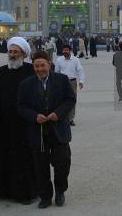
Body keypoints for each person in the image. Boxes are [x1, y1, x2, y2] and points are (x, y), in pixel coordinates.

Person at [17, 50, 76, 209]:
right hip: (38, 132)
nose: (40, 69)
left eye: (42, 65)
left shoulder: (62, 80)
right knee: (40, 166)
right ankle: (45, 195)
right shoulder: (26, 84)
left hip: (58, 130)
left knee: (63, 163)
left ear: (49, 65)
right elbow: (21, 106)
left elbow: (70, 99)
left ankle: (60, 191)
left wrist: (58, 113)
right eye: (36, 66)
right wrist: (34, 116)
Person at [0, 36, 37, 204]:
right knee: (3, 157)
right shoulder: (0, 72)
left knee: (23, 159)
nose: (12, 55)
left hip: (24, 124)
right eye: (10, 51)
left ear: (23, 53)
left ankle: (25, 193)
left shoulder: (31, 71)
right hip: (3, 125)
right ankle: (4, 190)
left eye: (16, 52)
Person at [54, 45, 85, 126]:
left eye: (66, 50)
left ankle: (71, 119)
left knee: (72, 100)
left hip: (72, 82)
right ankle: (62, 117)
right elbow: (56, 72)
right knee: (61, 100)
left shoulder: (75, 60)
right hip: (61, 82)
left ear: (70, 51)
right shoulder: (59, 60)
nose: (65, 52)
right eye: (63, 50)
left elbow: (80, 70)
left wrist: (81, 81)